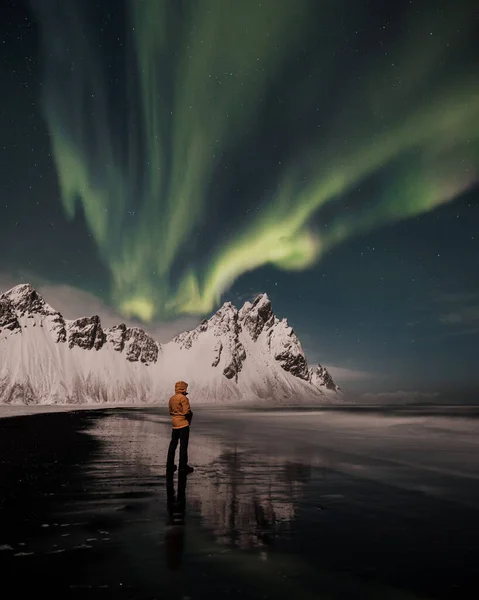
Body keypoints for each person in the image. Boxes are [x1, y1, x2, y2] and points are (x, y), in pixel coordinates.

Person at [166, 381, 194, 474]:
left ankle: (170, 465)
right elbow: (187, 412)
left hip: (174, 424)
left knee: (173, 445)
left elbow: (170, 411)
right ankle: (183, 467)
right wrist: (190, 415)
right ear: (183, 388)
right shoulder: (183, 398)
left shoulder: (171, 398)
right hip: (183, 424)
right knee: (183, 446)